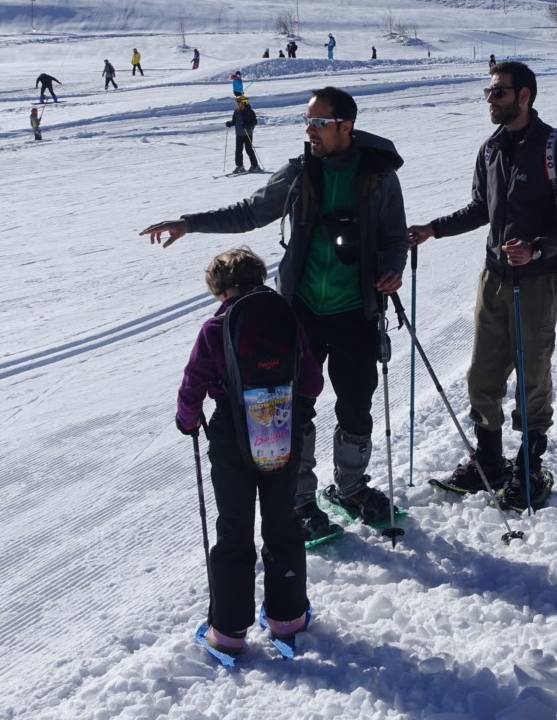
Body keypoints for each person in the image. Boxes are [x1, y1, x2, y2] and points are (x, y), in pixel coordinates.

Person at [141, 87, 409, 544]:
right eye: (308, 121)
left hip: (356, 311)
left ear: (346, 126)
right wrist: (190, 223)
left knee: (356, 406)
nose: (310, 130)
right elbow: (250, 212)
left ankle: (350, 487)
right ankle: (299, 498)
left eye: (318, 122)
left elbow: (395, 235)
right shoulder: (300, 171)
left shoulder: (378, 176)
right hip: (298, 314)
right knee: (292, 410)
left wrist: (393, 269)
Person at [408, 62, 557, 511]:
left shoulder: (555, 147)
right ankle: (488, 461)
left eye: (499, 92)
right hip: (493, 278)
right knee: (482, 374)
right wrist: (433, 229)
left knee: (532, 371)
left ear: (524, 96)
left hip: (537, 280)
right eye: (488, 93)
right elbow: (480, 208)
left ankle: (530, 466)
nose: (490, 100)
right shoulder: (491, 148)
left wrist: (537, 248)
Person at [176, 247, 319, 659]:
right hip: (281, 429)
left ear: (221, 290)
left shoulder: (215, 328)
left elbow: (193, 383)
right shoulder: (285, 318)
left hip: (231, 437)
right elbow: (312, 382)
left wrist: (188, 421)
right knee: (282, 521)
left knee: (234, 528)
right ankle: (288, 618)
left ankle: (228, 632)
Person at [227, 97, 261, 174]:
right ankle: (240, 166)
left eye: (239, 103)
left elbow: (254, 122)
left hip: (247, 133)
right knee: (238, 151)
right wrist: (230, 123)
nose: (238, 104)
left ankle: (255, 165)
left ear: (244, 103)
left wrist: (247, 125)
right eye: (237, 103)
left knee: (248, 149)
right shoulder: (236, 111)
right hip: (239, 134)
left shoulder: (250, 112)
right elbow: (234, 121)